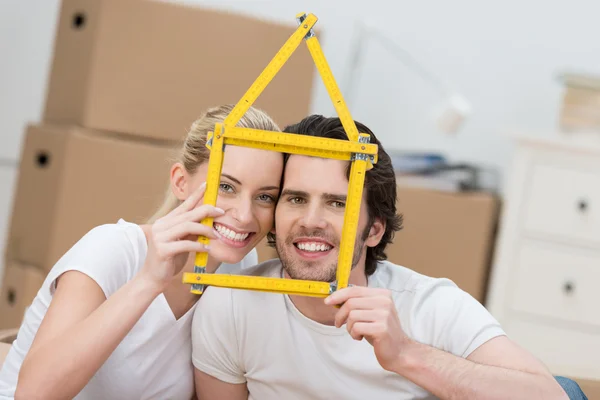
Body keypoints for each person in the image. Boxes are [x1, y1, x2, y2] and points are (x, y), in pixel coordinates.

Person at [190, 115, 571, 400]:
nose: (311, 221)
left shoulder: (430, 306)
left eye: (338, 203)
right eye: (296, 198)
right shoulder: (232, 307)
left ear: (374, 229)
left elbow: (550, 396)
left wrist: (405, 354)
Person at [0, 104, 285, 400]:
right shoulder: (113, 249)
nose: (244, 215)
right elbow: (32, 394)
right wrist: (149, 281)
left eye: (265, 196)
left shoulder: (236, 267)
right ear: (180, 182)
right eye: (226, 186)